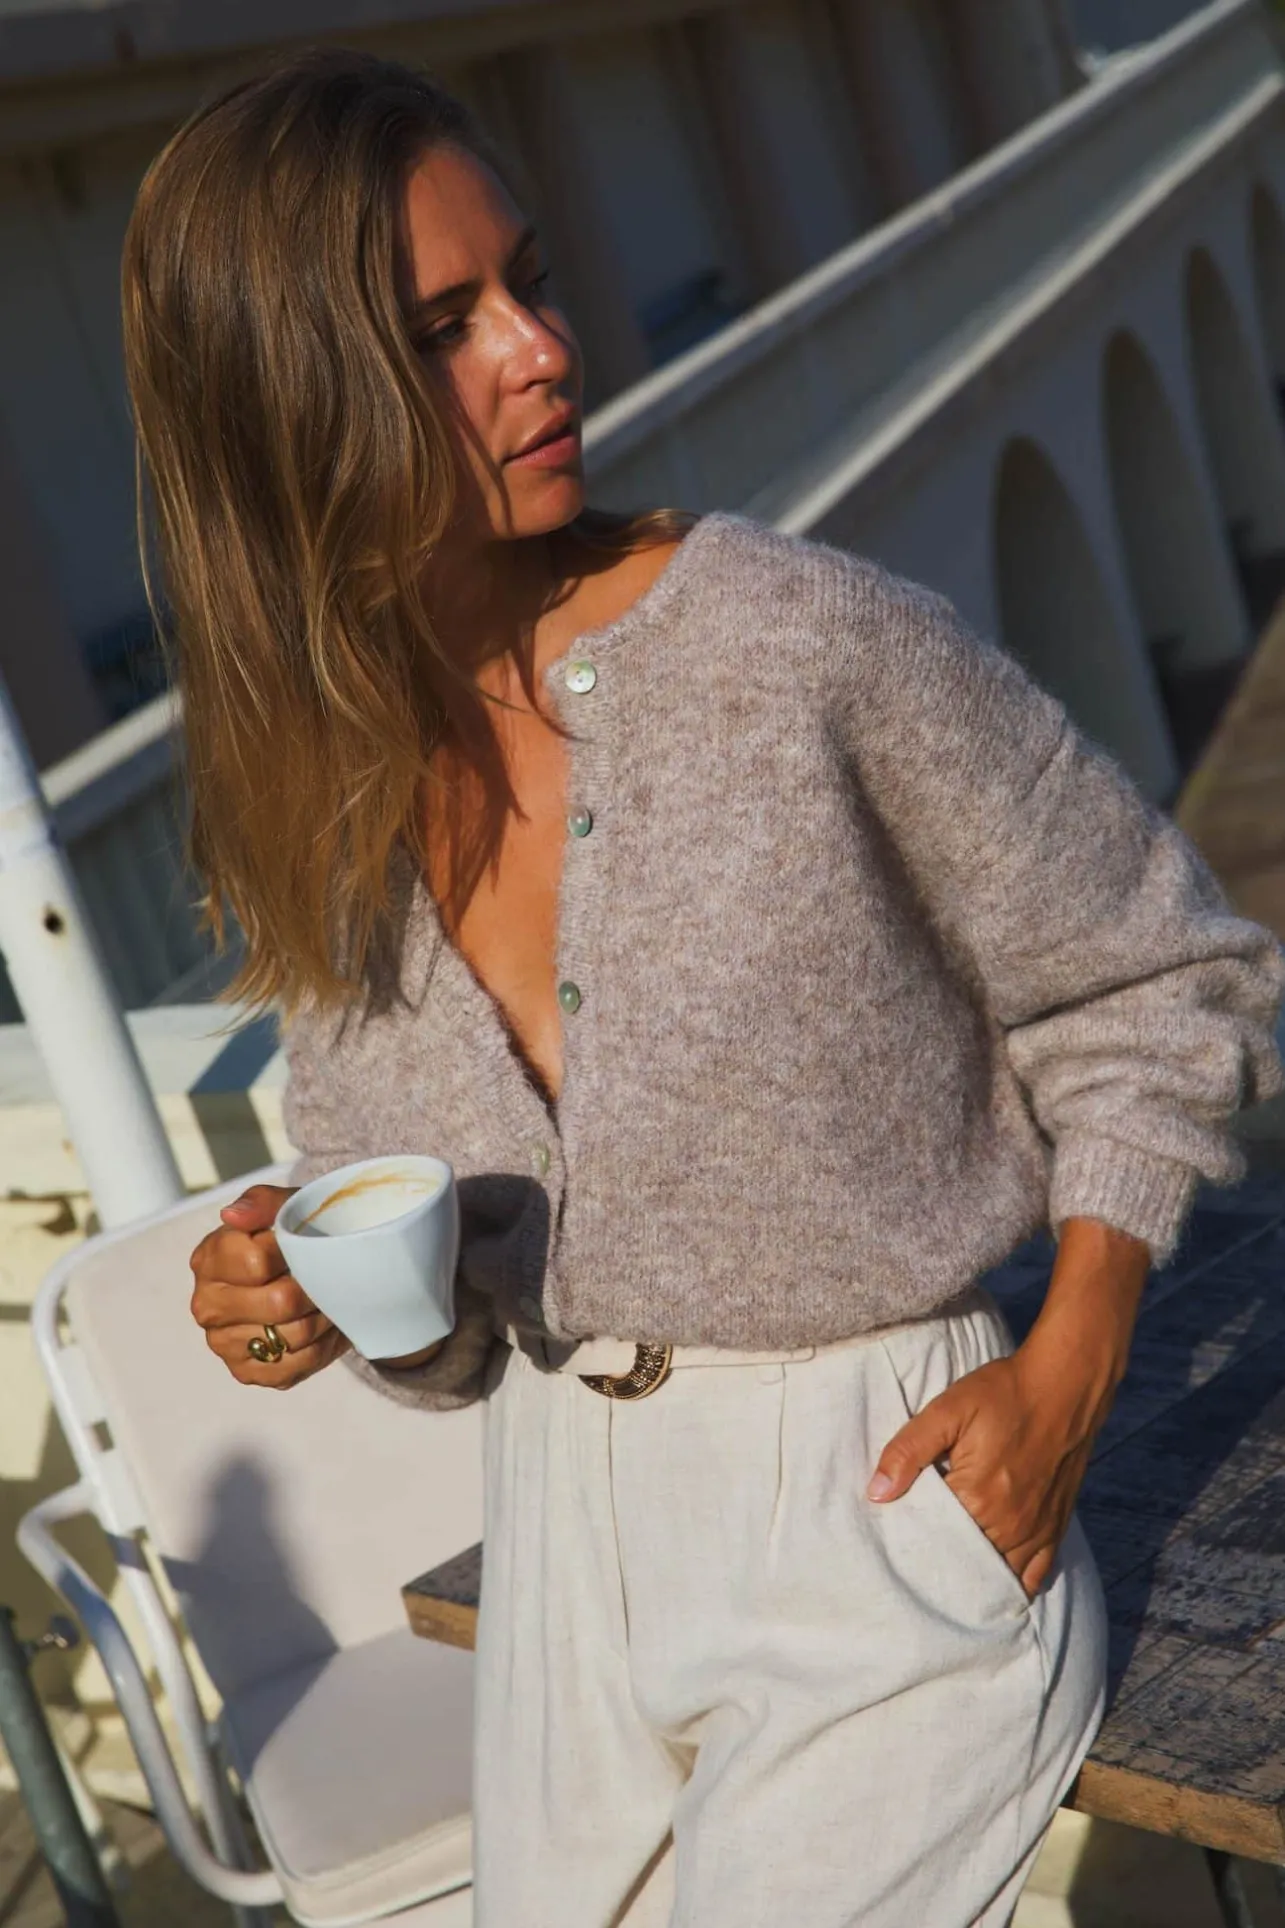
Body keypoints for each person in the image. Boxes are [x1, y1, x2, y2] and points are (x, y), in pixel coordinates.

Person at [122, 47, 1285, 1928]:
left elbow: (1165, 977)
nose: (541, 350)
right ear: (286, 405)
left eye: (528, 284)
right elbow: (457, 1335)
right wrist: (314, 1308)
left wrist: (1072, 1369)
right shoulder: (308, 797)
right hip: (557, 1541)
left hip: (877, 1502)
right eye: (441, 328)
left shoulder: (793, 641)